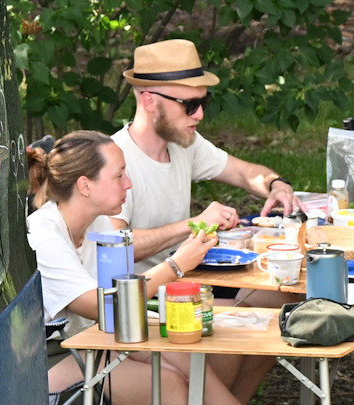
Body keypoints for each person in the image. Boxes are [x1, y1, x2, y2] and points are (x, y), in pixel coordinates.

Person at [26, 131, 353, 405]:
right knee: (173, 385)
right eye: (118, 176)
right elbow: (101, 307)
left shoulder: (98, 225)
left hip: (97, 344)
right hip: (46, 365)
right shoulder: (44, 234)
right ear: (85, 185)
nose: (128, 183)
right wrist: (179, 263)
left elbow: (116, 311)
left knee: (184, 358)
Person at [110, 39, 300, 264]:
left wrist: (276, 185)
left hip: (187, 282)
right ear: (149, 101)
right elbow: (114, 246)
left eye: (204, 102)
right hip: (143, 294)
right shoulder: (113, 161)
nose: (199, 114)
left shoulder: (183, 142)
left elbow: (243, 172)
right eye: (189, 105)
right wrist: (195, 224)